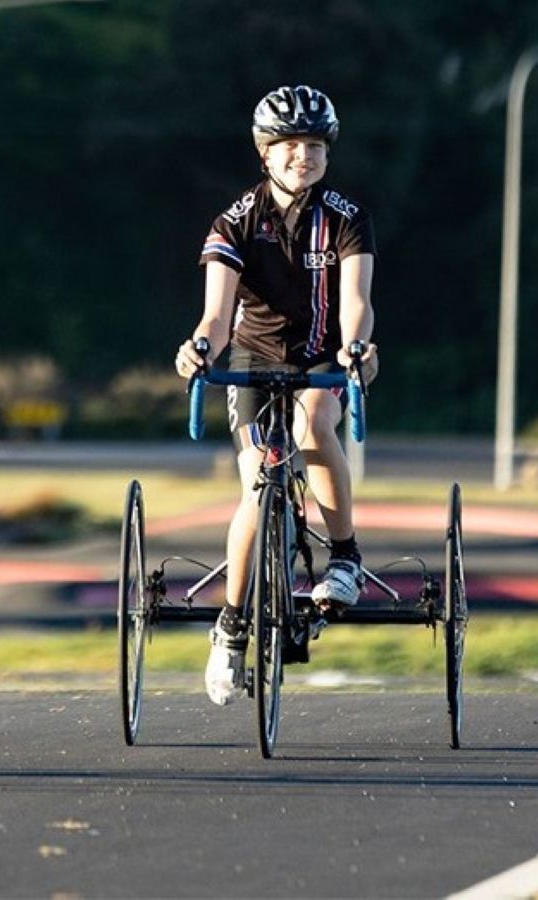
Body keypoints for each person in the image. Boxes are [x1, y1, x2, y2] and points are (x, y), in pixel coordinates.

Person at [174, 85, 379, 707]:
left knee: (317, 424)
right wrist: (199, 349)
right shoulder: (235, 221)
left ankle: (343, 556)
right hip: (250, 358)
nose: (303, 156)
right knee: (255, 483)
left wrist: (356, 350)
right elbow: (216, 313)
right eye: (290, 145)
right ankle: (231, 628)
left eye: (314, 145)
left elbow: (357, 304)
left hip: (320, 353)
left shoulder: (346, 216)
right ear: (266, 153)